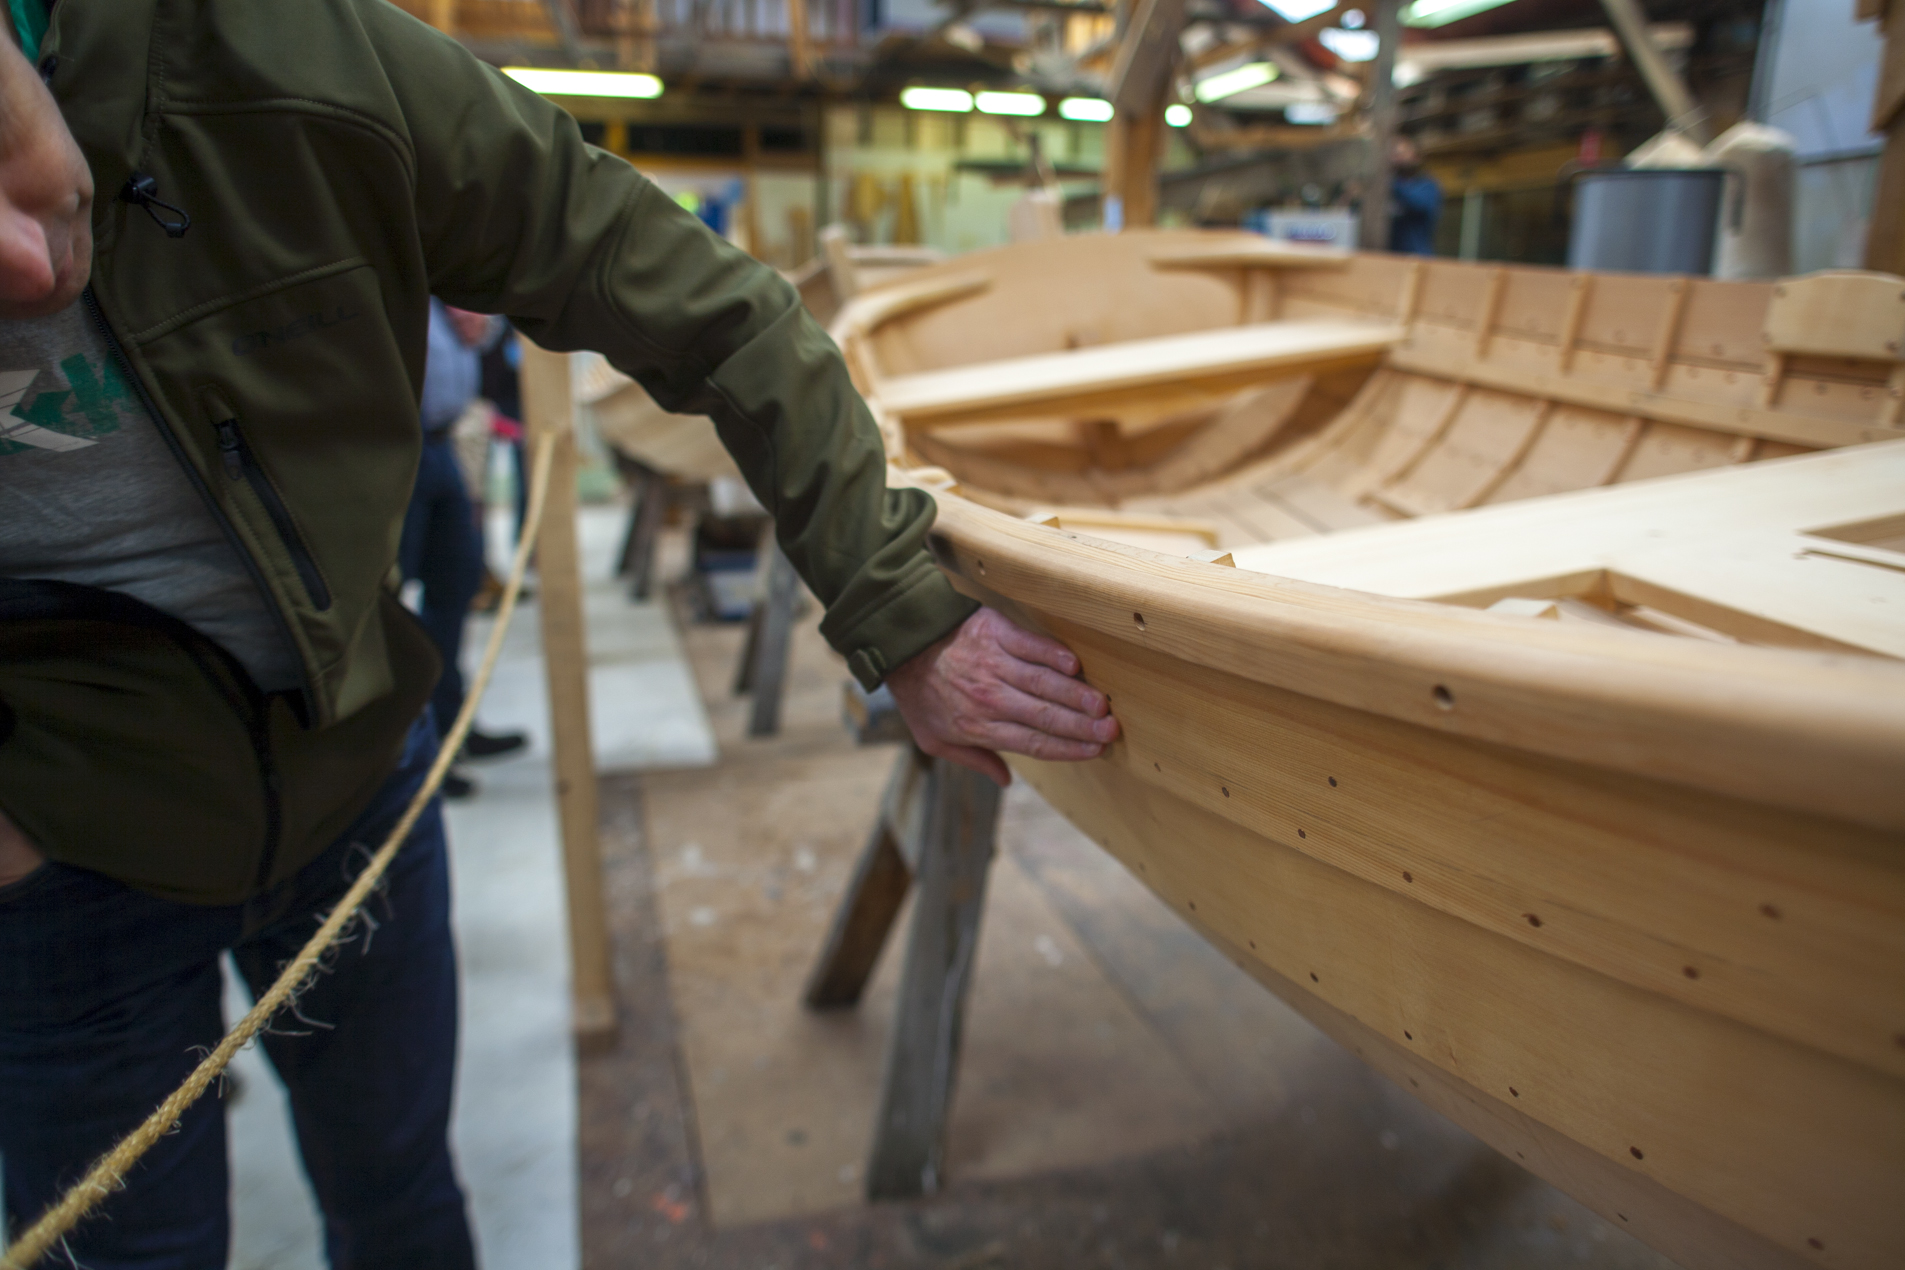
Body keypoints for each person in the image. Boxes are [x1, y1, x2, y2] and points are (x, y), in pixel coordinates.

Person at [0, 3, 1118, 1267]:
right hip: (59, 848)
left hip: (355, 777)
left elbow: (693, 295)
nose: (26, 270)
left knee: (403, 1193)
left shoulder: (289, 55)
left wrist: (898, 607)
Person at [403, 298, 527, 798]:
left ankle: (452, 730)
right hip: (401, 451)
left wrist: (478, 321)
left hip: (441, 445)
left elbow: (489, 328)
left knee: (454, 591)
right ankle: (415, 754)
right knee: (393, 604)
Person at [1388, 137, 1443, 256]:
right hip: (1391, 257)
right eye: (1395, 154)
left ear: (1416, 157)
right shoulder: (1390, 188)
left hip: (1417, 257)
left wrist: (1391, 184)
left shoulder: (1427, 186)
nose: (1398, 158)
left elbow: (1418, 204)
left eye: (1403, 153)